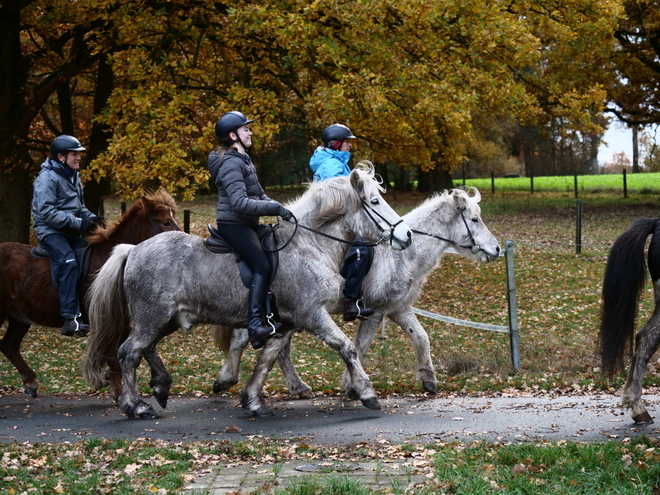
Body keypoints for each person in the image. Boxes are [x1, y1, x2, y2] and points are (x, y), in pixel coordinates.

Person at [208, 111, 294, 349]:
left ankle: (270, 314)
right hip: (233, 224)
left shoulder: (245, 160)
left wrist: (283, 209)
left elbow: (259, 196)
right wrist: (274, 208)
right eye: (246, 129)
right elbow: (239, 203)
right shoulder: (232, 163)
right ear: (232, 135)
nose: (251, 132)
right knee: (262, 265)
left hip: (247, 223)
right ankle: (255, 326)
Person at [32, 135, 106, 336]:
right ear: (61, 157)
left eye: (79, 154)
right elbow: (47, 212)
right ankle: (69, 318)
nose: (79, 158)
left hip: (69, 231)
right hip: (51, 232)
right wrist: (79, 223)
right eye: (75, 154)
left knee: (93, 256)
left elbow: (79, 208)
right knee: (69, 262)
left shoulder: (72, 175)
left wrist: (93, 219)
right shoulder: (47, 179)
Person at [309, 123, 374, 321]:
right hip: (332, 220)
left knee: (368, 246)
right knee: (361, 250)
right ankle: (350, 301)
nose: (349, 145)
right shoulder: (331, 166)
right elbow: (343, 198)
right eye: (346, 141)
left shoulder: (336, 161)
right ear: (335, 143)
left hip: (340, 217)